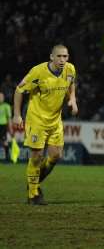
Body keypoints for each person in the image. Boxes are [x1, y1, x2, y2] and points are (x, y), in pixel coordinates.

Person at [13, 44, 78, 205]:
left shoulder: (70, 69)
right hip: (37, 120)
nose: (63, 60)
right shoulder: (38, 72)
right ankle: (33, 193)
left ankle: (33, 181)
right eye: (59, 56)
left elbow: (71, 84)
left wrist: (72, 99)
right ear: (51, 57)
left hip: (55, 121)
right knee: (36, 157)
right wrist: (16, 115)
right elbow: (19, 90)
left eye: (65, 56)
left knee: (56, 156)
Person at [0, 92, 12, 162]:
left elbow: (9, 118)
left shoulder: (6, 106)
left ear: (4, 98)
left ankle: (7, 157)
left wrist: (10, 129)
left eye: (1, 97)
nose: (0, 98)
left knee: (5, 141)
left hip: (3, 126)